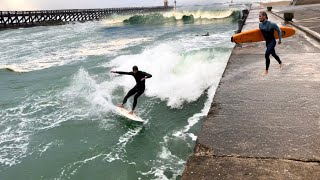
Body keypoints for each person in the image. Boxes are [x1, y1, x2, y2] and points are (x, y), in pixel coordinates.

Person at [259, 11, 283, 75]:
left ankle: (266, 71)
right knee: (273, 54)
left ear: (264, 16)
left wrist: (280, 40)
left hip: (272, 41)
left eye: (260, 16)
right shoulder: (260, 25)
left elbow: (279, 31)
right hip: (267, 42)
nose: (259, 18)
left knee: (267, 54)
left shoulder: (271, 24)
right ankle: (280, 63)